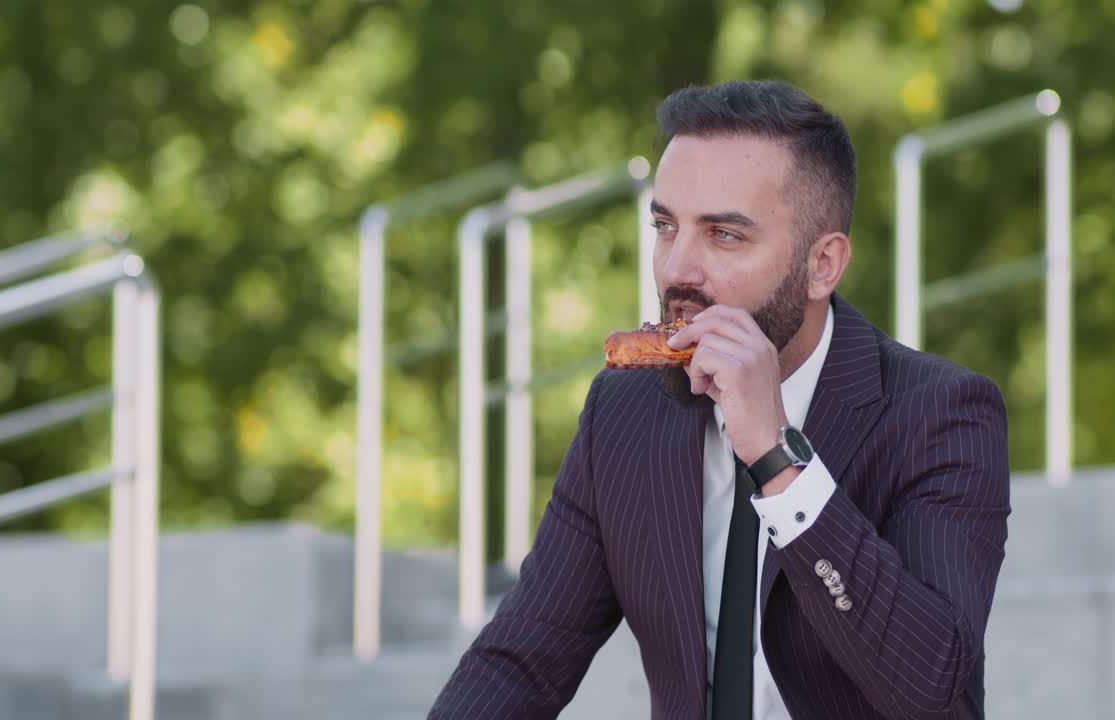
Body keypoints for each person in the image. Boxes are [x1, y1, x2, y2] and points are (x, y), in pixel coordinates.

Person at [429, 79, 1011, 720]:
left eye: (724, 235)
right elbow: (519, 664)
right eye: (665, 227)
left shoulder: (942, 413)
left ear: (822, 265)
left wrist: (777, 457)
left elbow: (930, 684)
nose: (677, 269)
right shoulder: (624, 414)